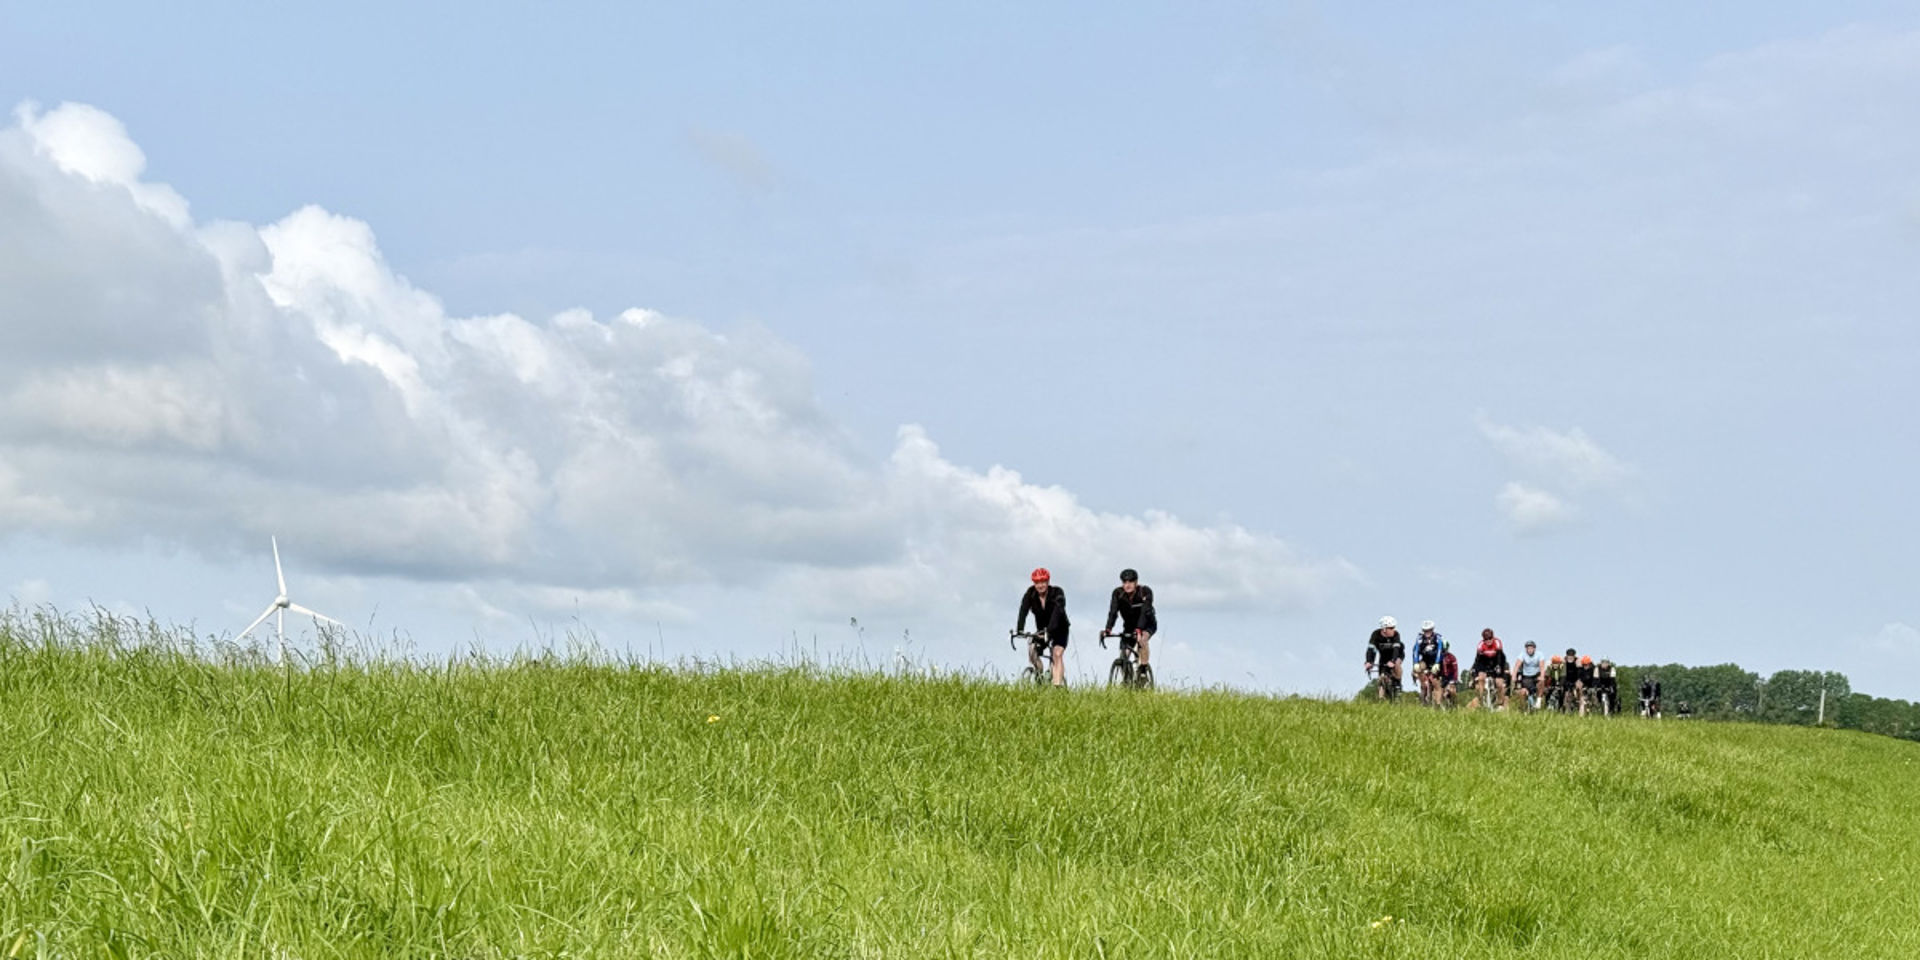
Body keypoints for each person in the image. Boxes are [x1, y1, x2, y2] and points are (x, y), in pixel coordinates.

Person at [1015, 567, 1071, 687]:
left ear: (1048, 582)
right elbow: (1023, 610)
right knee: (1032, 651)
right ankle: (1039, 676)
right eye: (1037, 583)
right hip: (1042, 630)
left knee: (1057, 653)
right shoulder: (1030, 594)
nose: (1040, 585)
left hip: (1059, 629)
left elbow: (1057, 612)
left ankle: (1057, 687)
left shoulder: (1057, 592)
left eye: (1043, 582)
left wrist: (1049, 632)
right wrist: (1020, 629)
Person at [1102, 568, 1157, 670]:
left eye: (1131, 582)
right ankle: (1126, 680)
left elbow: (1145, 612)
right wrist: (1108, 629)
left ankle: (1143, 670)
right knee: (1124, 655)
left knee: (1142, 640)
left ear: (1136, 582)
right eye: (1124, 582)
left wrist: (1139, 629)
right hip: (1129, 626)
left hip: (1147, 624)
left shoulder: (1145, 592)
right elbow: (1113, 612)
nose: (1127, 585)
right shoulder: (1118, 594)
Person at [1364, 616, 1405, 701]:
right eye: (1391, 628)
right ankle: (1381, 698)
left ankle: (1397, 686)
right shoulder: (1375, 635)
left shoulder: (1396, 634)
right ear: (1384, 629)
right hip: (1383, 656)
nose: (1393, 629)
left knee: (1396, 664)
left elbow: (1396, 650)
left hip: (1396, 654)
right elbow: (1371, 650)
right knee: (1381, 677)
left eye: (1393, 627)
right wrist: (1369, 661)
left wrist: (1393, 661)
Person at [1469, 628, 1509, 710]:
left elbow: (1500, 657)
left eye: (1490, 638)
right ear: (1483, 639)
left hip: (1497, 662)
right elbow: (1478, 660)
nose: (1488, 641)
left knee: (1499, 683)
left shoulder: (1497, 642)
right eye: (1486, 639)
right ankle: (1481, 700)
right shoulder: (1481, 645)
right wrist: (1474, 671)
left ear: (1493, 637)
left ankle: (1500, 704)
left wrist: (1499, 667)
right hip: (1484, 663)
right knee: (1481, 678)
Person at [1410, 621, 1446, 707]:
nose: (1427, 633)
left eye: (1429, 630)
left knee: (1436, 683)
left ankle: (1438, 704)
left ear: (1432, 630)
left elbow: (1440, 651)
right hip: (1425, 661)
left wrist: (1437, 663)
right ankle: (1423, 691)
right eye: (1425, 631)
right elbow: (1416, 651)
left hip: (1435, 661)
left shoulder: (1438, 638)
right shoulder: (1419, 639)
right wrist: (1415, 663)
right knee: (1418, 669)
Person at [1511, 640, 1544, 711]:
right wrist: (1513, 677)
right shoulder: (1522, 655)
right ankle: (1524, 710)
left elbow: (1541, 666)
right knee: (1523, 692)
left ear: (1534, 649)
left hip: (1536, 674)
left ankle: (1538, 701)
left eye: (1531, 648)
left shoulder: (1539, 654)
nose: (1529, 650)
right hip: (1526, 676)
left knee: (1541, 682)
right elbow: (1516, 666)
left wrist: (1542, 676)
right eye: (1528, 648)